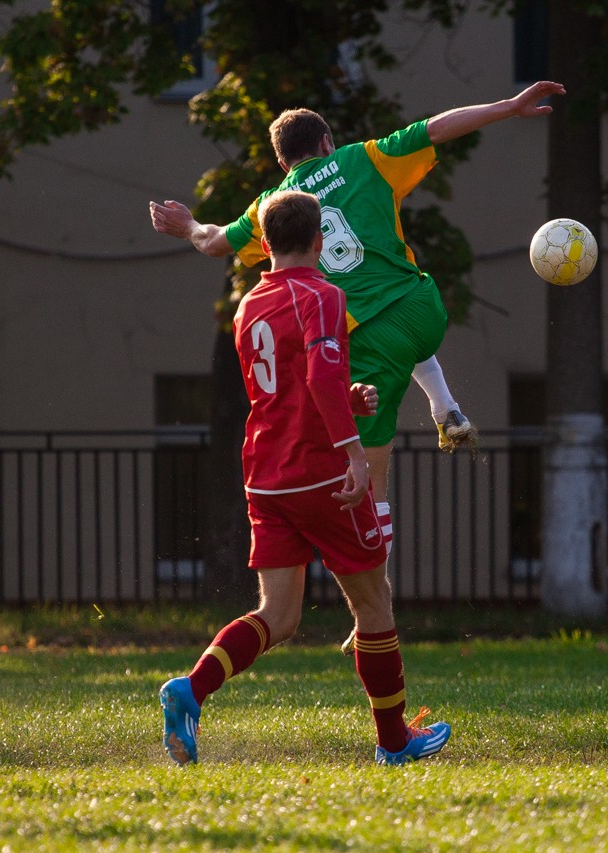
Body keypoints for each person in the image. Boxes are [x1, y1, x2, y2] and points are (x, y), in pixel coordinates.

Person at [149, 79, 565, 551]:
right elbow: (437, 127)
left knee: (371, 474)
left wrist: (186, 226)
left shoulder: (273, 206)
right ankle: (444, 404)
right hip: (422, 308)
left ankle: (376, 592)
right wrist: (508, 106)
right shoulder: (364, 156)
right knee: (407, 331)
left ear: (283, 163)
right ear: (327, 142)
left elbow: (213, 241)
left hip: (365, 337)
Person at [158, 190, 450, 767]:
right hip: (322, 473)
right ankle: (394, 742)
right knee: (373, 603)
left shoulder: (249, 305)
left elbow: (291, 387)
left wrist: (349, 398)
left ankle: (190, 690)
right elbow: (317, 376)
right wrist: (355, 453)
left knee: (279, 616)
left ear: (265, 244)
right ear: (319, 243)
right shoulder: (323, 294)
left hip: (266, 476)